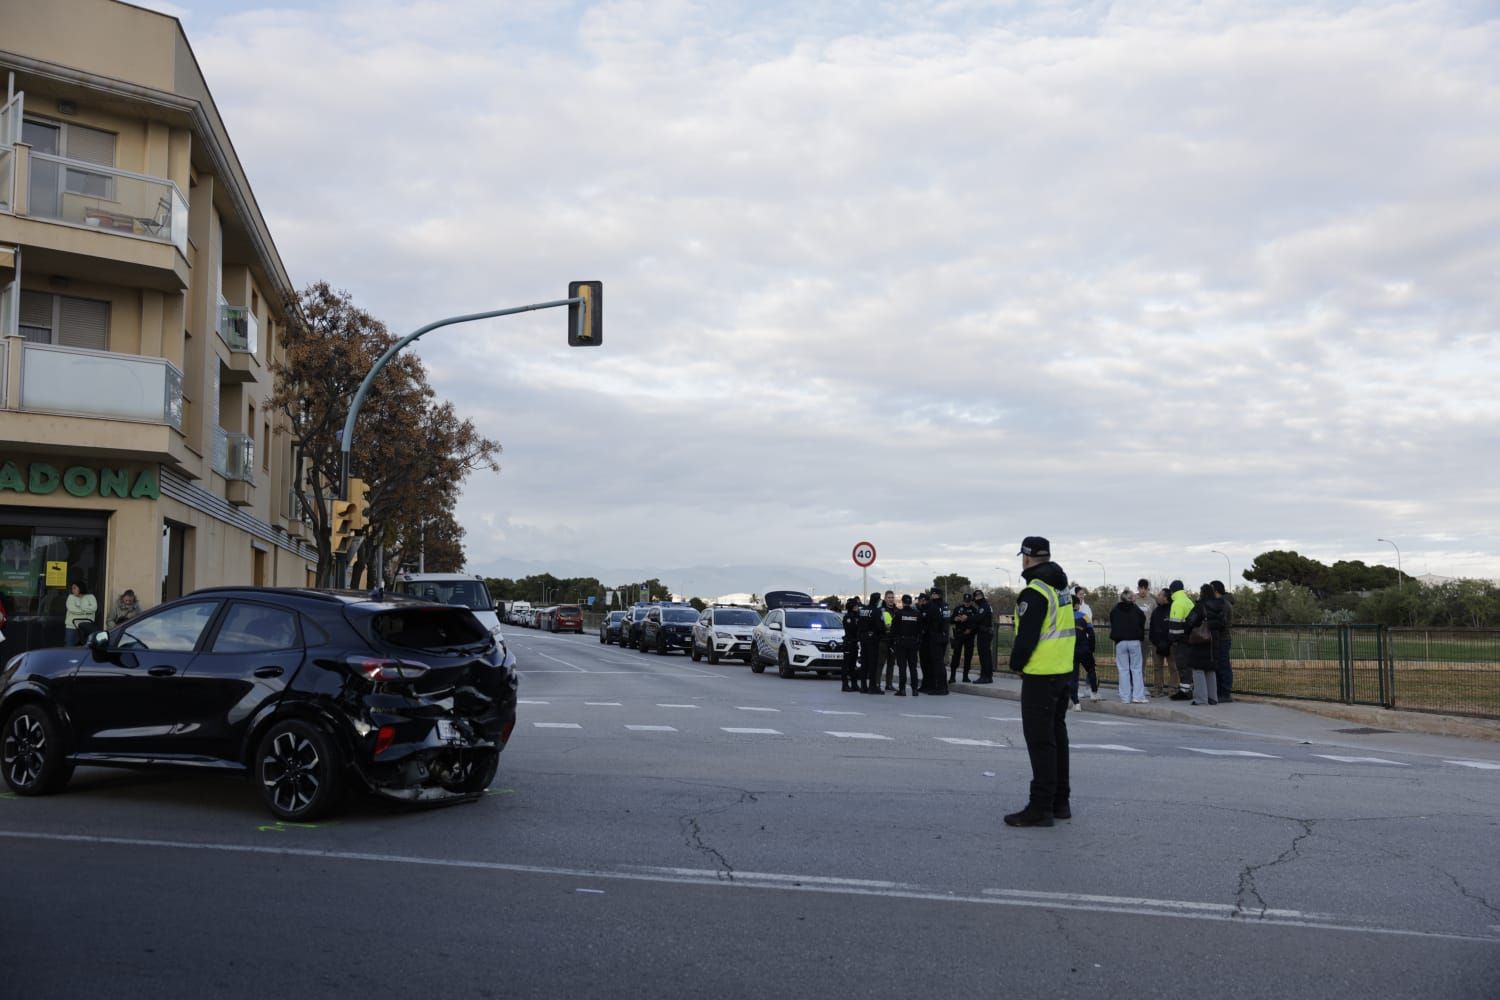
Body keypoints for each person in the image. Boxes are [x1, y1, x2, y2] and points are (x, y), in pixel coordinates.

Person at [1005, 536, 1076, 828]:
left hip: (1040, 675)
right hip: (1062, 672)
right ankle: (1061, 802)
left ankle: (1041, 807)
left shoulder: (1034, 592)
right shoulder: (1061, 588)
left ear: (1026, 558)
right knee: (1057, 738)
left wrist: (1016, 664)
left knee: (1040, 742)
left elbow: (1027, 637)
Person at [1109, 587, 1148, 703]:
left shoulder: (1115, 610)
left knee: (1123, 670)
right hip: (1134, 641)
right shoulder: (1136, 610)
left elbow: (1112, 621)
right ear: (1132, 599)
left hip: (1120, 642)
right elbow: (1143, 619)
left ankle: (1125, 697)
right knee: (1136, 669)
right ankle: (1138, 696)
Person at [1185, 584, 1219, 705]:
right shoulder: (1220, 605)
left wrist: (1188, 631)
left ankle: (1201, 698)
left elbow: (1190, 621)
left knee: (1198, 668)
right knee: (1211, 669)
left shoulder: (1200, 606)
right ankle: (1213, 697)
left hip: (1200, 640)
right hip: (1214, 640)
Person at [1166, 579, 1195, 700]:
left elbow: (1175, 625)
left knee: (1182, 665)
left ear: (1172, 590)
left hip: (1181, 640)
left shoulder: (1177, 603)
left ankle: (1184, 691)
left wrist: (1172, 639)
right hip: (1191, 638)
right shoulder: (1188, 601)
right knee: (1189, 665)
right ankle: (1190, 688)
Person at [890, 594, 924, 696]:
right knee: (913, 667)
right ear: (911, 602)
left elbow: (893, 630)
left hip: (901, 643)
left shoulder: (899, 614)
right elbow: (920, 630)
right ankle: (914, 689)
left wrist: (893, 642)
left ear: (903, 602)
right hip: (913, 643)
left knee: (902, 667)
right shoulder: (917, 614)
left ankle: (902, 689)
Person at [857, 591, 886, 695]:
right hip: (873, 638)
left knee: (864, 663)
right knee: (873, 663)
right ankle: (872, 687)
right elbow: (880, 626)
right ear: (877, 600)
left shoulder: (863, 610)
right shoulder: (876, 611)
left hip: (863, 638)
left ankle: (863, 686)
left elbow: (859, 624)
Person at [1210, 580, 1235, 702]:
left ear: (1215, 590)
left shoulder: (1224, 605)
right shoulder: (1221, 603)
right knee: (1218, 665)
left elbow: (1222, 624)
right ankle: (1219, 691)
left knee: (1224, 665)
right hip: (1218, 639)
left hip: (1222, 639)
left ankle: (1225, 692)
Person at [922, 587, 950, 695]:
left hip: (936, 637)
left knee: (937, 664)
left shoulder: (933, 606)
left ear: (936, 595)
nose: (932, 596)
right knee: (940, 663)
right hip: (943, 637)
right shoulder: (945, 606)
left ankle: (941, 688)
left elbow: (928, 620)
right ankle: (942, 687)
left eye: (933, 595)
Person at [1148, 589, 1173, 697]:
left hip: (1171, 643)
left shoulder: (1173, 609)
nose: (1157, 596)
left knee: (1173, 667)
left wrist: (1169, 641)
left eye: (1160, 595)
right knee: (1157, 667)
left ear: (1165, 597)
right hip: (1156, 644)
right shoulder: (1156, 611)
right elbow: (1152, 627)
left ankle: (1173, 690)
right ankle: (1158, 689)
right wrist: (1155, 641)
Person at [1072, 607, 1097, 709]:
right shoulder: (1084, 616)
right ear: (1077, 605)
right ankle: (1093, 693)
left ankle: (1076, 703)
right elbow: (1091, 632)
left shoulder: (1064, 616)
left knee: (1073, 676)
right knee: (1091, 670)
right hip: (1084, 648)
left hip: (1071, 650)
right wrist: (1091, 648)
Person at [949, 592, 976, 683]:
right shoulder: (958, 608)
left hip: (969, 635)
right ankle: (952, 676)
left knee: (968, 656)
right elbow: (951, 620)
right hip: (958, 635)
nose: (967, 603)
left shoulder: (974, 610)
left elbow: (976, 623)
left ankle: (965, 676)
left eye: (968, 601)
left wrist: (971, 629)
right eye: (965, 601)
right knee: (956, 656)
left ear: (971, 601)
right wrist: (955, 619)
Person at [972, 590, 996, 684]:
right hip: (986, 632)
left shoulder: (984, 606)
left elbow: (978, 618)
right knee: (986, 655)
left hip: (984, 633)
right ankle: (987, 676)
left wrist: (968, 618)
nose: (976, 599)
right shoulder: (985, 605)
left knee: (984, 656)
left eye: (977, 597)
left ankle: (985, 677)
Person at [66, 580, 98, 646]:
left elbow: (94, 608)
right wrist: (86, 612)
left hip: (87, 626)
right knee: (70, 646)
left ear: (80, 587)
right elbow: (72, 609)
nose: (73, 590)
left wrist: (80, 607)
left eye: (74, 588)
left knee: (86, 647)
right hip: (72, 626)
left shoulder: (90, 597)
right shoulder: (71, 597)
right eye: (72, 588)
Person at [841, 596, 862, 693]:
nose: (858, 607)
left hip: (854, 643)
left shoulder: (857, 616)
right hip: (849, 643)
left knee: (853, 665)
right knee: (846, 665)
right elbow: (852, 629)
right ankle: (845, 685)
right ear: (852, 607)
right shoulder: (848, 617)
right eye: (856, 606)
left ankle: (854, 684)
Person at [880, 591, 898, 691]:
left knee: (891, 664)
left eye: (892, 597)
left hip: (893, 640)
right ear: (885, 598)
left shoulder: (896, 610)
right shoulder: (882, 610)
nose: (891, 599)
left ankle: (889, 684)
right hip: (883, 640)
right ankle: (877, 684)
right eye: (889, 597)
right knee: (881, 663)